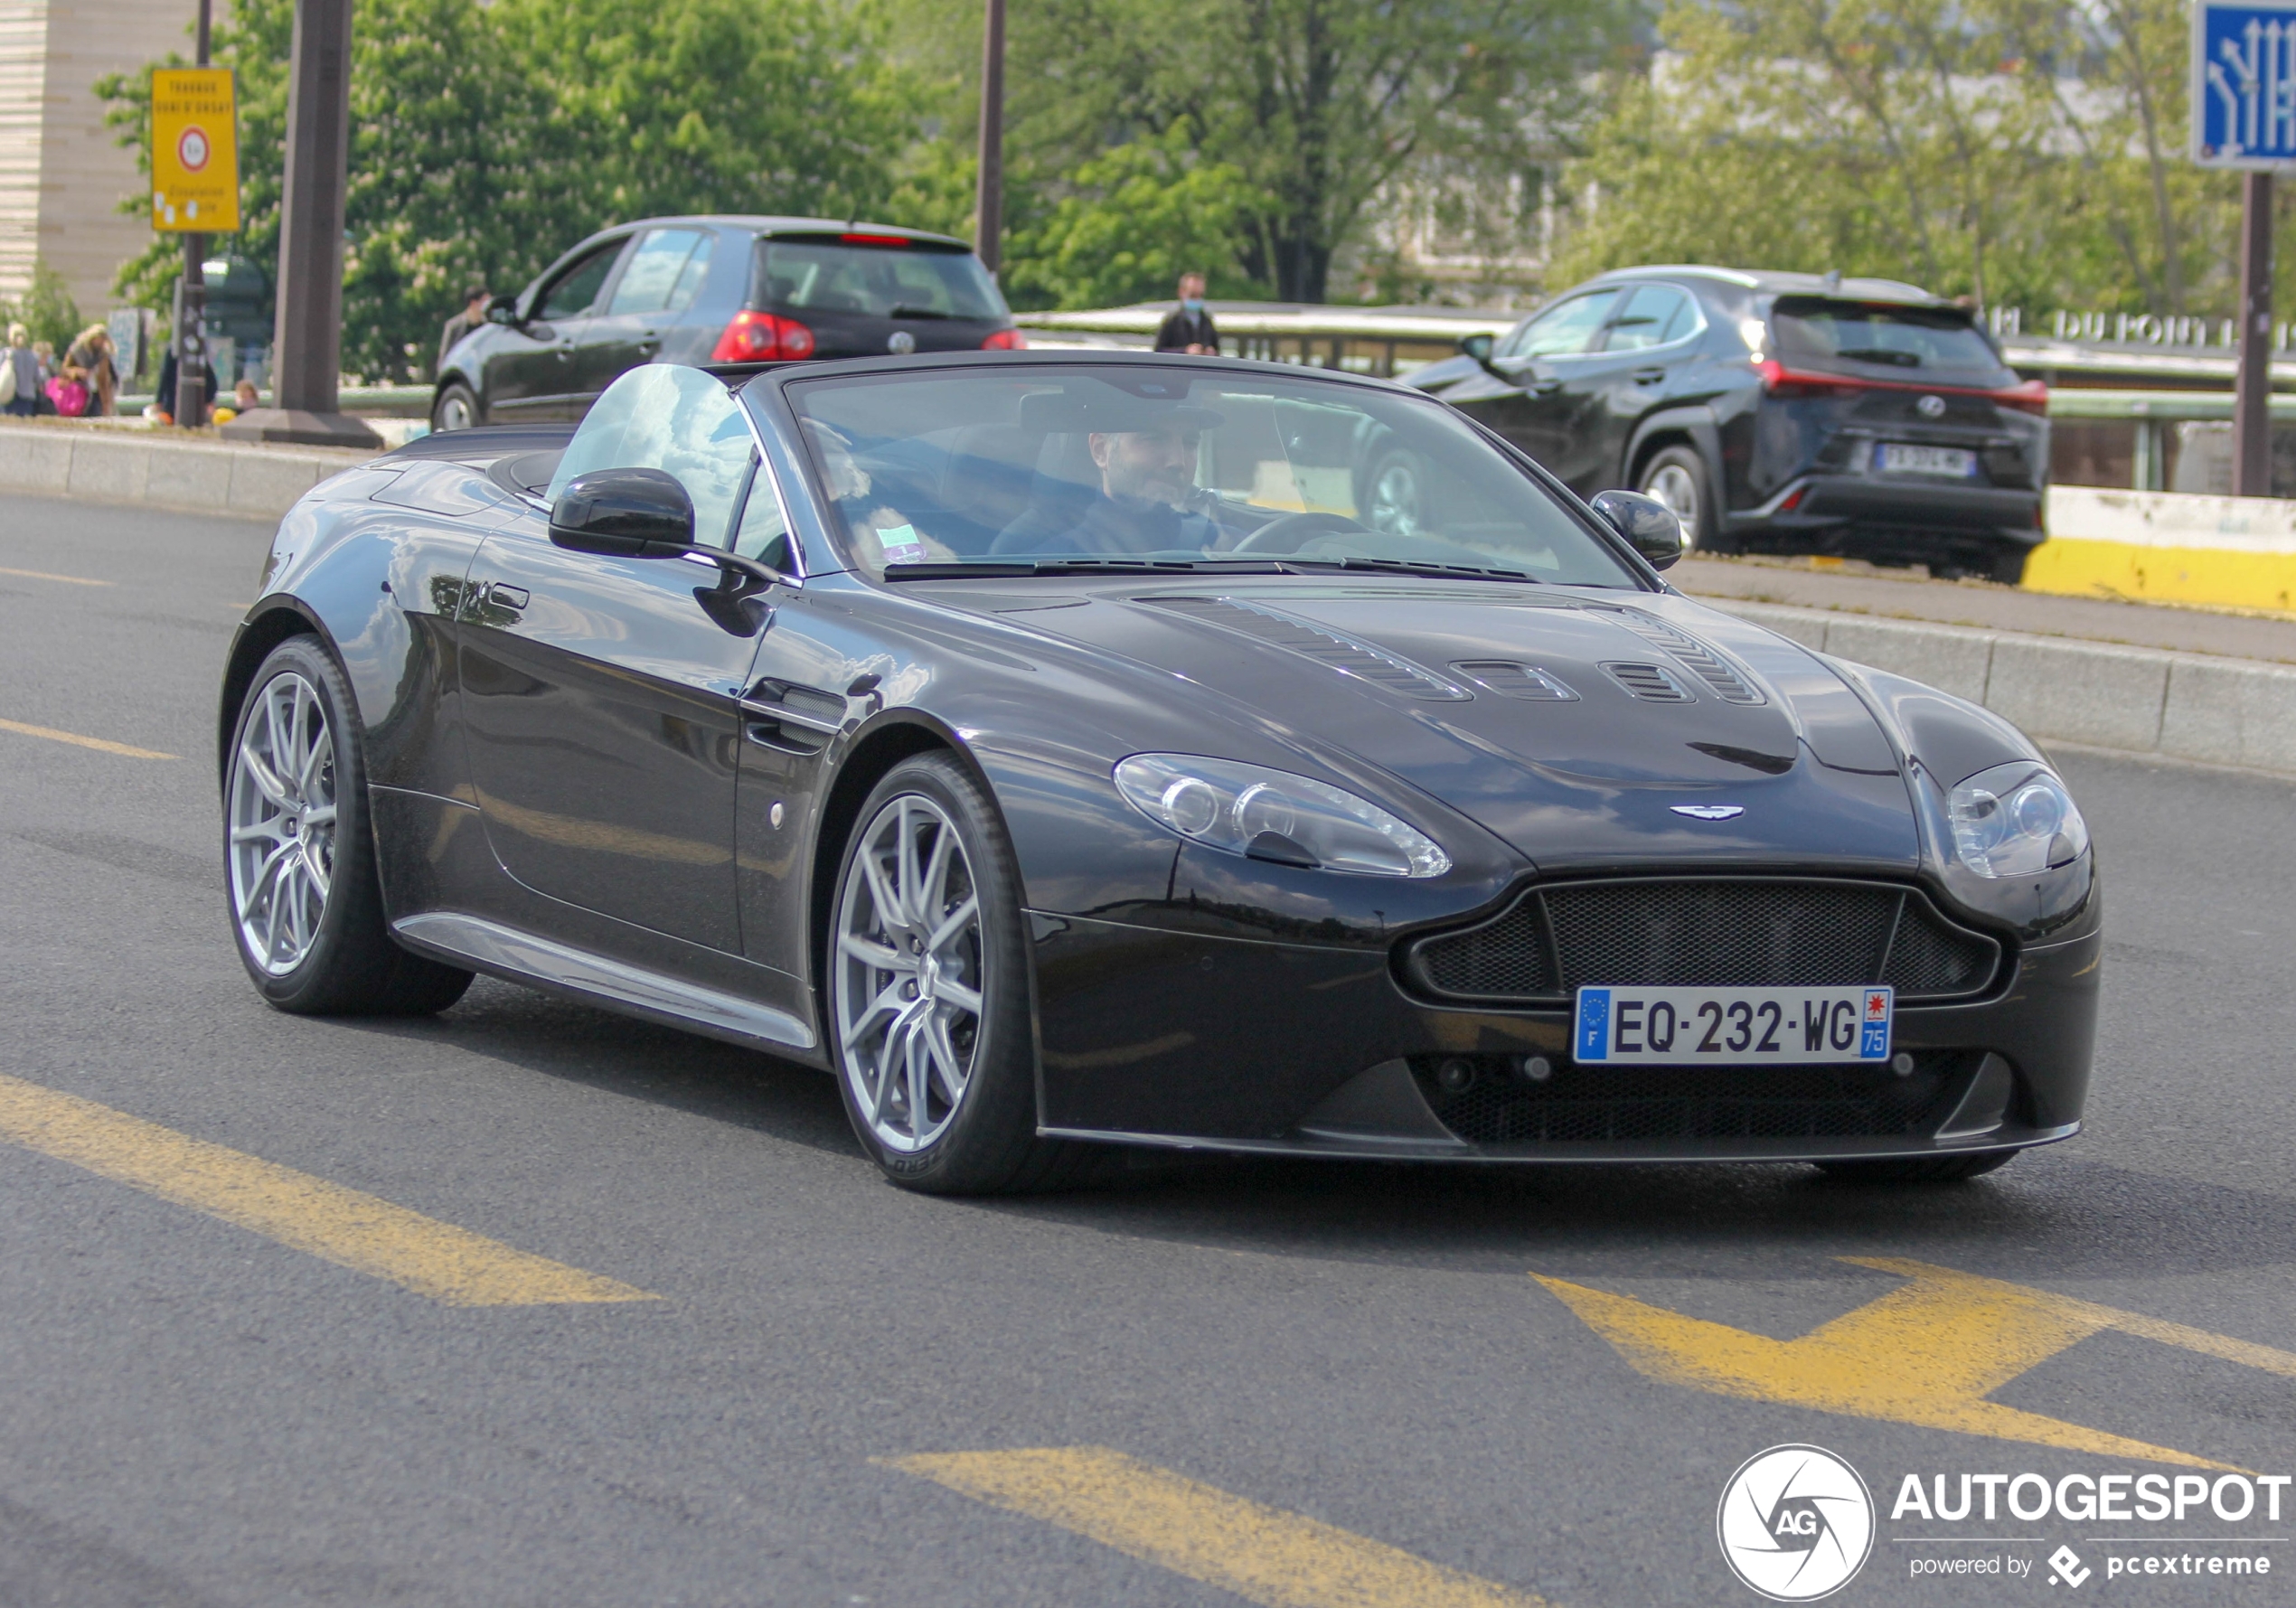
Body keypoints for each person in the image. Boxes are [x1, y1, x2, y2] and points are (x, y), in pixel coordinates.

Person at [996, 400, 1234, 556]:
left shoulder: (1231, 546)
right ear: (1101, 450)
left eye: (1190, 443)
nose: (1178, 461)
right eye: (1153, 439)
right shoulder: (1051, 564)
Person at [61, 324, 118, 417]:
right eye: (100, 339)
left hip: (95, 394)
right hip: (78, 392)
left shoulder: (102, 356)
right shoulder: (77, 351)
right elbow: (64, 370)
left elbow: (103, 381)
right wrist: (77, 372)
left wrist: (106, 403)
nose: (101, 343)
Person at [1153, 274, 1219, 354]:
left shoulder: (1207, 321)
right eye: (1193, 295)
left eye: (1200, 295)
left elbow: (1217, 348)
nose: (1197, 299)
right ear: (1181, 292)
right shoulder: (1172, 320)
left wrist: (1211, 352)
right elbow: (1158, 351)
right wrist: (1184, 351)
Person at [438, 283, 491, 373]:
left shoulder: (487, 327)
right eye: (486, 302)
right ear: (474, 303)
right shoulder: (454, 326)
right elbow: (444, 357)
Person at [2, 324, 38, 418]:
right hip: (28, 398)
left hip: (10, 396)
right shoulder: (33, 356)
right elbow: (37, 379)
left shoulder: (7, 354)